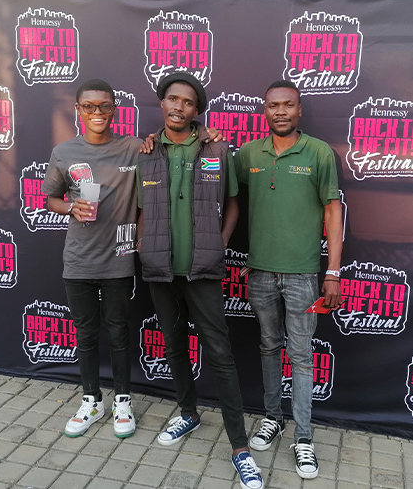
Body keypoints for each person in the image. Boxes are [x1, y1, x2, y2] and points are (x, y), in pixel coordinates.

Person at [136, 72, 264, 489]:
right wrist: (142, 245)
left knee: (220, 354)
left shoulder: (216, 148)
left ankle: (240, 449)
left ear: (197, 110)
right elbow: (140, 208)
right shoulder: (146, 151)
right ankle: (188, 413)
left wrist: (220, 242)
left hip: (203, 268)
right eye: (173, 99)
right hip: (160, 268)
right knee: (174, 345)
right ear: (162, 103)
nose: (179, 106)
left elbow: (233, 203)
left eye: (188, 102)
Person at [235, 79, 343, 480]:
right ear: (264, 110)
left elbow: (333, 211)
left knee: (300, 355)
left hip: (302, 274)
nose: (280, 111)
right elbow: (222, 188)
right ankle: (272, 418)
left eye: (288, 105)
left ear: (299, 110)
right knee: (268, 346)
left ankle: (304, 437)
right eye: (273, 105)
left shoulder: (318, 152)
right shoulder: (249, 153)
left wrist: (332, 272)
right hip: (260, 271)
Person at [42, 78, 140, 439]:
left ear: (114, 109)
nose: (97, 112)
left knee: (118, 333)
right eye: (89, 106)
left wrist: (207, 133)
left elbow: (174, 142)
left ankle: (122, 400)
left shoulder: (135, 147)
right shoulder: (64, 151)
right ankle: (91, 400)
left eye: (104, 106)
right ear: (78, 110)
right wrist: (71, 207)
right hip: (79, 260)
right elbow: (51, 198)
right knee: (85, 334)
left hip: (118, 259)